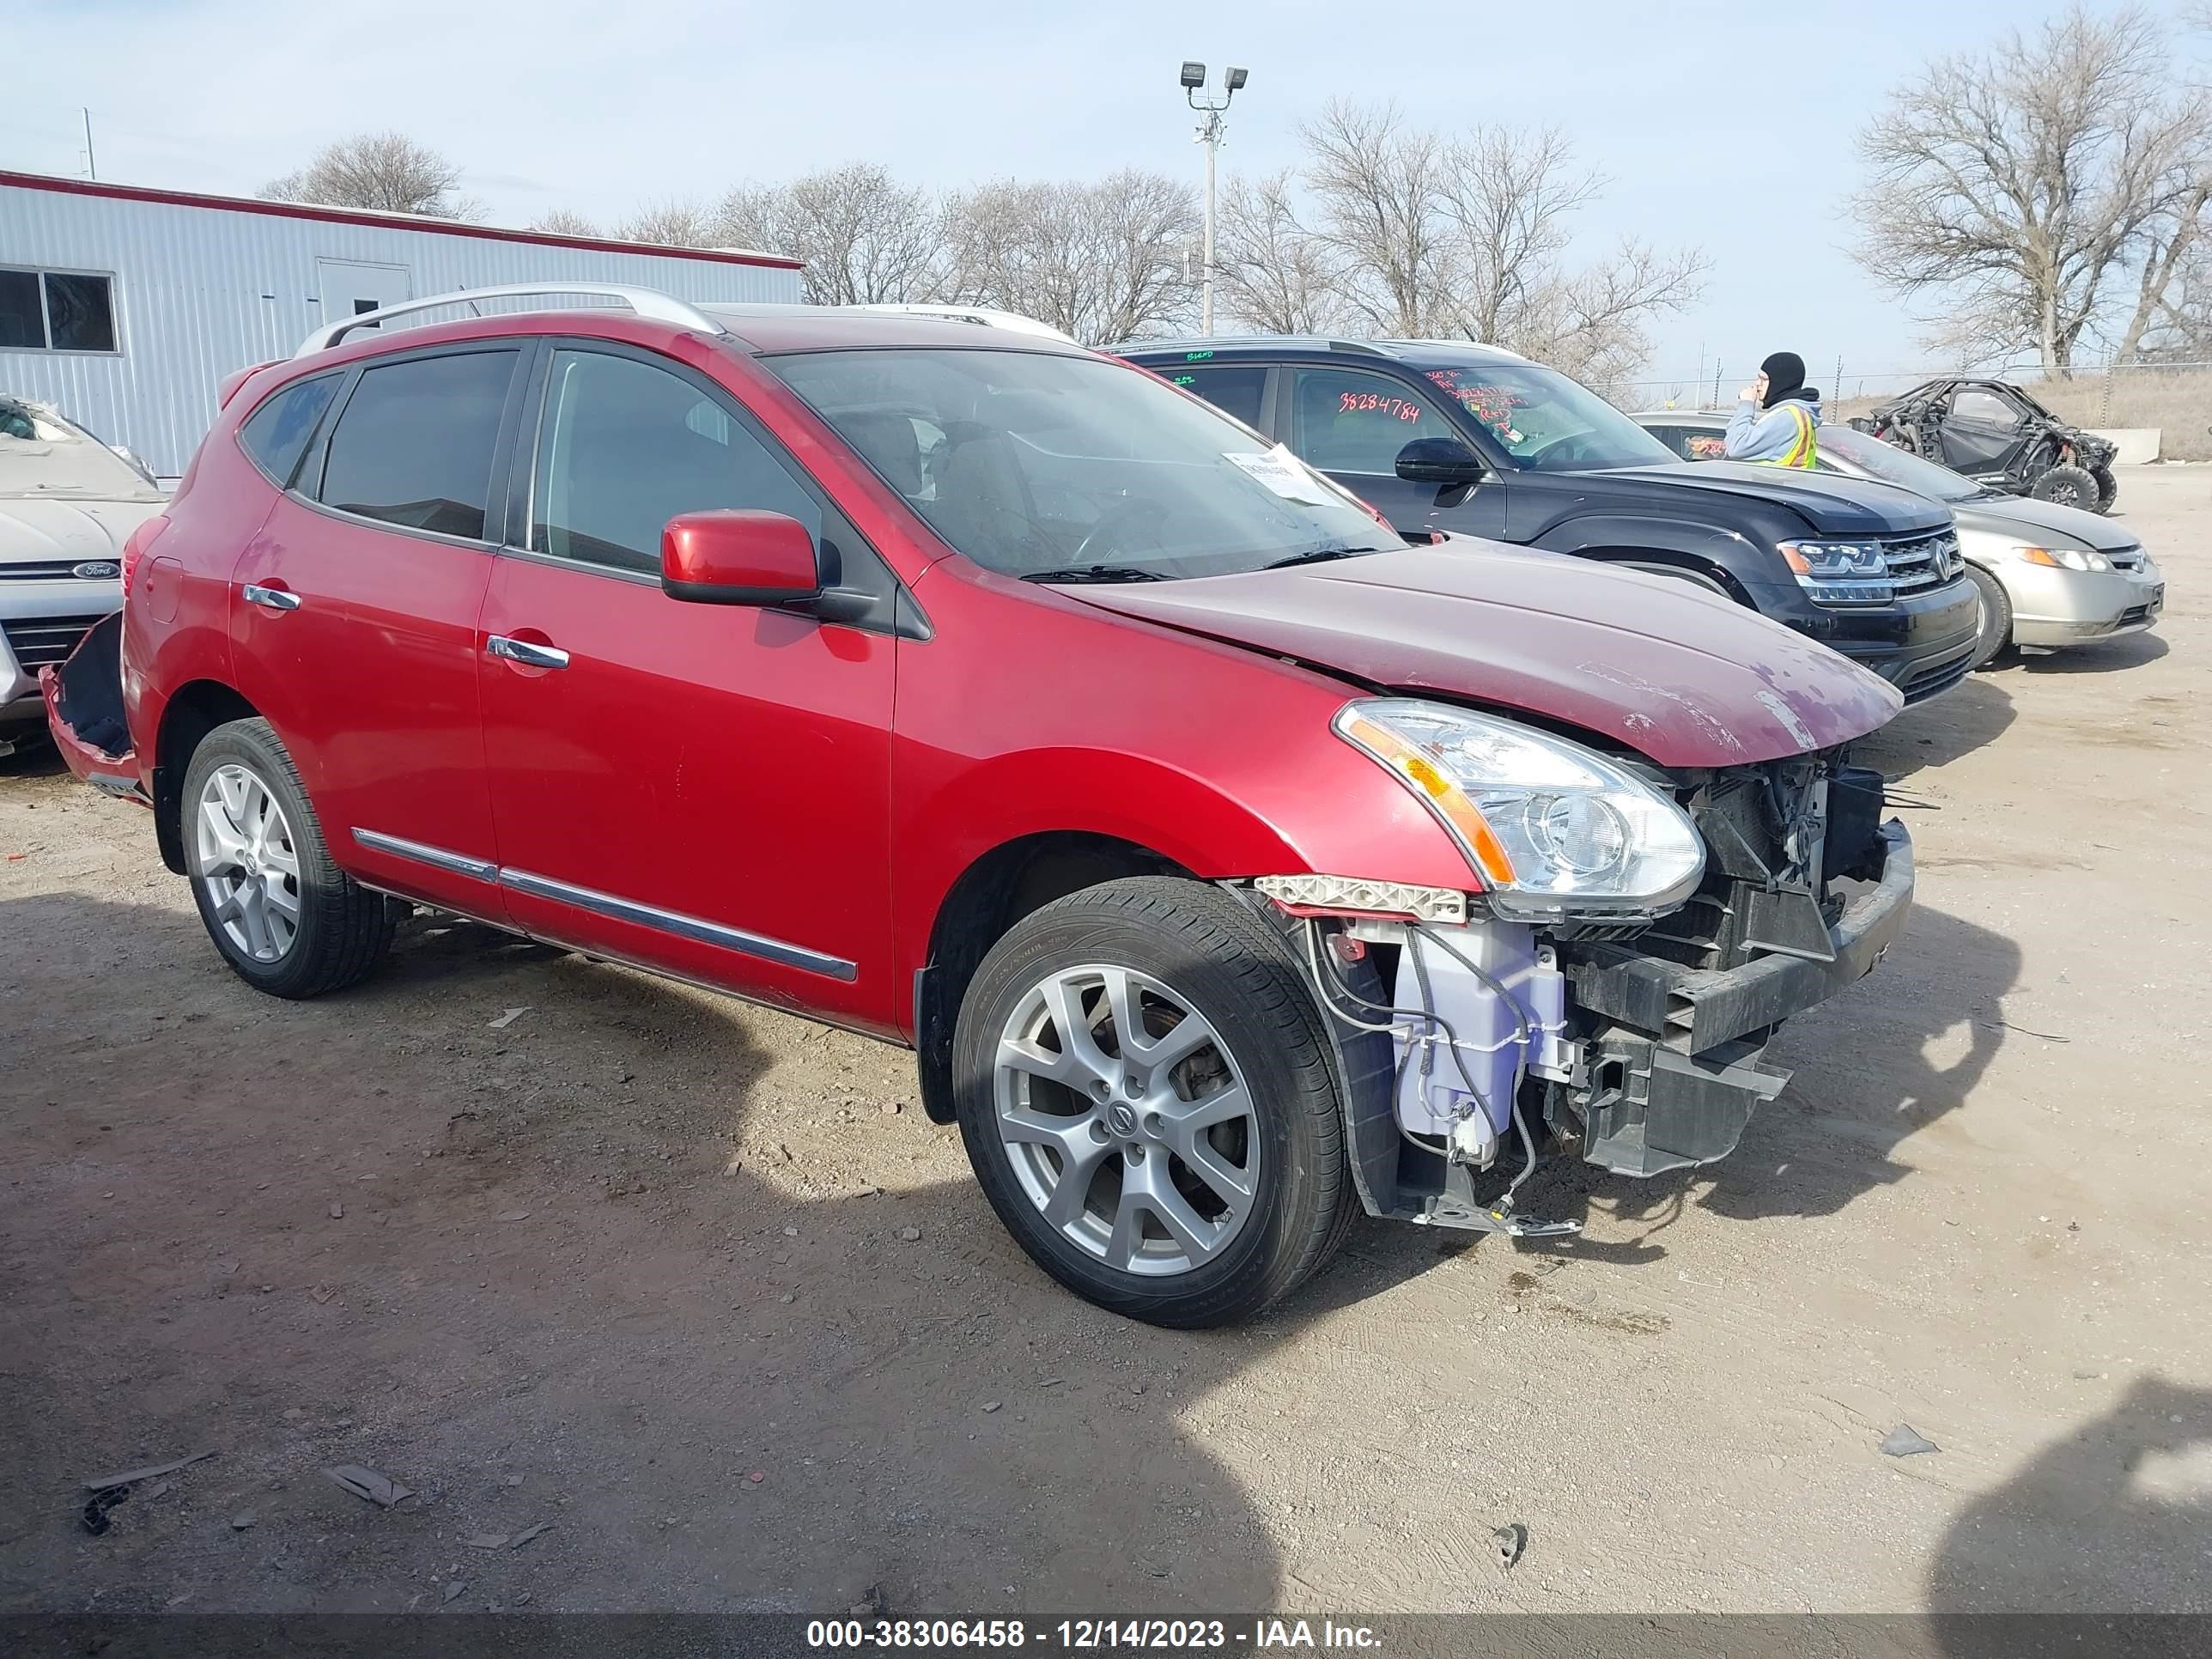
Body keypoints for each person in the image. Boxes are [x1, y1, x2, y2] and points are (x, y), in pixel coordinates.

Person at [1724, 351, 1820, 466]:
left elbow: (1736, 447)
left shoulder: (1786, 418)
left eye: (1763, 379)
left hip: (1774, 482)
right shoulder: (1800, 414)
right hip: (1785, 482)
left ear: (1780, 382)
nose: (1757, 384)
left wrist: (1746, 404)